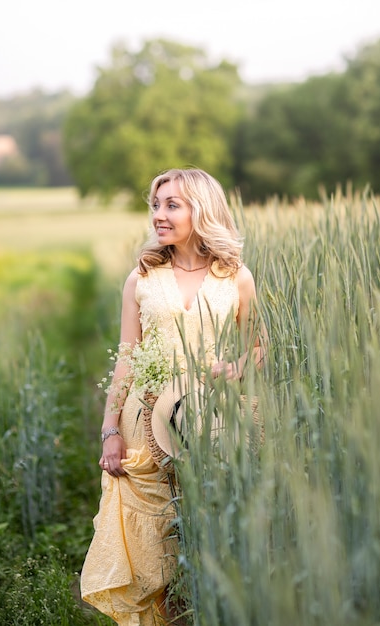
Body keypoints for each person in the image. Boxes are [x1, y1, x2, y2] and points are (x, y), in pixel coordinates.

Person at [80, 168, 267, 625]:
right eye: (156, 205)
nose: (159, 215)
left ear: (200, 211)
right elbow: (126, 360)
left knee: (211, 534)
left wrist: (236, 368)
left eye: (171, 205)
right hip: (146, 422)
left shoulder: (236, 277)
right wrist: (110, 432)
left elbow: (259, 348)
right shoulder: (140, 279)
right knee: (157, 544)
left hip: (216, 418)